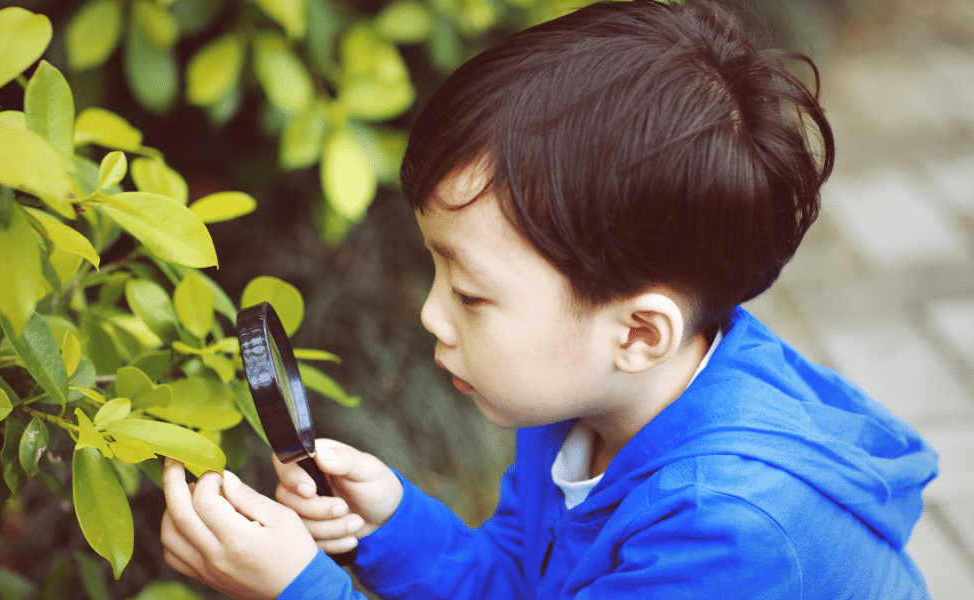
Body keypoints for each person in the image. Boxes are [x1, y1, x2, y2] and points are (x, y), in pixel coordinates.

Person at [160, 1, 940, 598]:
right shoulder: (594, 395)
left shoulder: (725, 533)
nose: (431, 315)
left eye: (470, 293)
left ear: (638, 331)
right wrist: (394, 526)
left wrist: (298, 586)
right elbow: (519, 581)